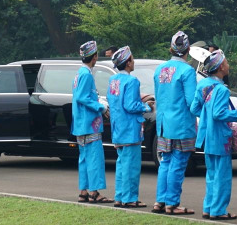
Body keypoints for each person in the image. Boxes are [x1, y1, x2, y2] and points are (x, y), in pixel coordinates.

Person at [192, 50, 237, 221]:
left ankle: (208, 207)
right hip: (220, 137)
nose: (228, 65)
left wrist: (206, 117)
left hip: (206, 135)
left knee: (212, 175)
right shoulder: (221, 89)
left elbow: (194, 109)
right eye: (226, 63)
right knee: (222, 176)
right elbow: (219, 114)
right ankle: (218, 210)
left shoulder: (202, 84)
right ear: (221, 67)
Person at [152, 31, 197, 215]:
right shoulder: (187, 71)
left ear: (171, 48)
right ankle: (172, 203)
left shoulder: (159, 69)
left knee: (166, 162)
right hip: (181, 124)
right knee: (178, 164)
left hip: (163, 124)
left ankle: (160, 201)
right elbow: (192, 102)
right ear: (188, 49)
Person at [107, 46, 152, 208]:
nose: (133, 62)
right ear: (127, 63)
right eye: (132, 59)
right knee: (131, 166)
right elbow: (131, 105)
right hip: (131, 128)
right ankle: (130, 198)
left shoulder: (113, 80)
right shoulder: (132, 81)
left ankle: (120, 196)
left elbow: (113, 101)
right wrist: (147, 107)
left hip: (118, 127)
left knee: (121, 164)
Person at [73, 40, 113, 204]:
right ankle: (94, 192)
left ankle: (83, 191)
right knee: (94, 159)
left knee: (83, 159)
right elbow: (83, 97)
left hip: (80, 124)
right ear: (94, 57)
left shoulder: (78, 74)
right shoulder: (86, 75)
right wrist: (101, 108)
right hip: (90, 124)